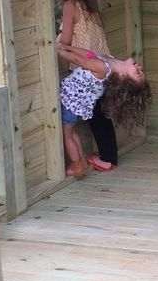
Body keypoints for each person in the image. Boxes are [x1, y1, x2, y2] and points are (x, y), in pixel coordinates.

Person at [55, 0, 119, 171]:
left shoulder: (70, 5)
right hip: (105, 66)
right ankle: (109, 157)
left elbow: (65, 39)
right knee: (101, 115)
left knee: (81, 121)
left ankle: (97, 161)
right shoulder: (91, 8)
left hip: (87, 71)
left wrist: (58, 40)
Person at [57, 44, 150, 179]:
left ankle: (76, 166)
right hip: (74, 103)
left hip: (70, 102)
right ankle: (80, 162)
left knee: (68, 134)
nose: (139, 68)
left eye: (138, 73)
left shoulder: (103, 68)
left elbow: (79, 61)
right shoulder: (110, 63)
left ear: (123, 76)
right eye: (140, 71)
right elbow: (89, 54)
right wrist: (67, 47)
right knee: (72, 132)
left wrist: (59, 51)